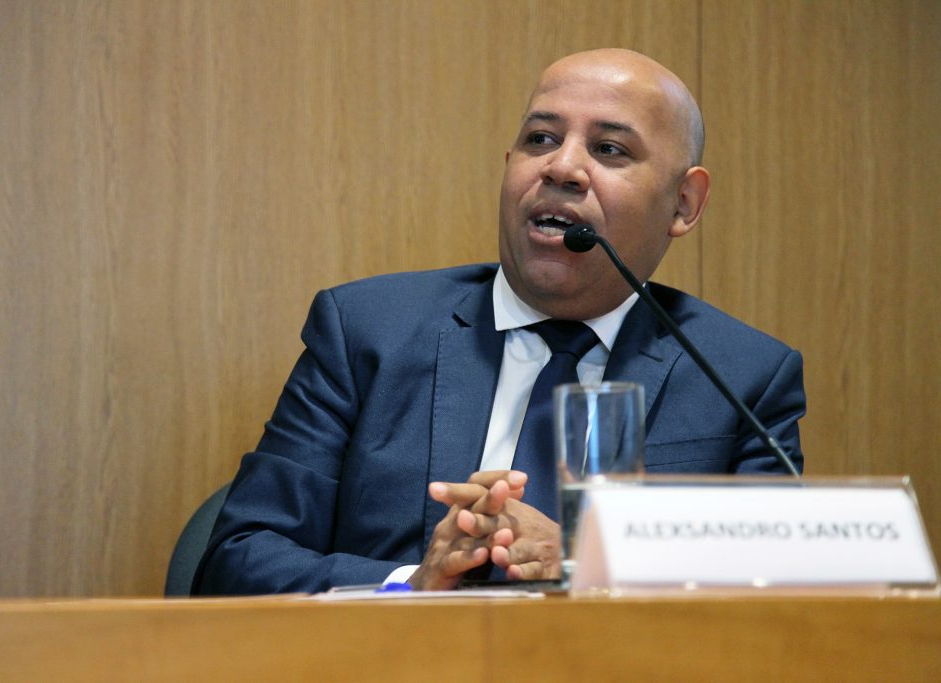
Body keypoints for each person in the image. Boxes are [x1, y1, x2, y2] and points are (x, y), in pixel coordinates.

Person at [192, 48, 805, 595]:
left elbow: (777, 595)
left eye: (609, 149)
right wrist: (411, 585)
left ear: (684, 203)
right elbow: (235, 561)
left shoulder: (740, 378)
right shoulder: (366, 333)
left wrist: (587, 564)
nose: (562, 167)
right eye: (541, 138)